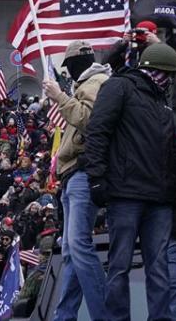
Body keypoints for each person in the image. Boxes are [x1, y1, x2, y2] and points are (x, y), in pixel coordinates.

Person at [84, 43, 176, 321]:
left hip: (160, 199)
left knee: (159, 267)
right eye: (167, 74)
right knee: (120, 265)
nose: (169, 80)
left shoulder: (162, 102)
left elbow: (174, 148)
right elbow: (97, 132)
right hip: (126, 195)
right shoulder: (118, 87)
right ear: (156, 71)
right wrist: (96, 178)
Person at [43, 40, 111, 321]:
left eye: (68, 67)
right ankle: (65, 314)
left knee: (79, 246)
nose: (67, 73)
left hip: (83, 172)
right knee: (71, 250)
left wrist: (59, 96)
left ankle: (105, 314)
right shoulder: (85, 84)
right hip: (72, 173)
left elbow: (90, 119)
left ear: (74, 64)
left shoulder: (95, 82)